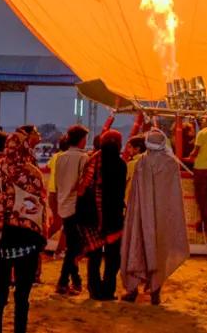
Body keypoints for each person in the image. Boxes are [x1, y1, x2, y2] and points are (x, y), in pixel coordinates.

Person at [0, 131, 47, 333]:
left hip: (2, 238)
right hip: (27, 240)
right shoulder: (33, 173)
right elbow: (39, 208)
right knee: (23, 296)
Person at [120, 128, 188, 305]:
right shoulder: (172, 163)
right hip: (163, 217)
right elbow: (174, 195)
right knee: (160, 251)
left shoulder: (142, 162)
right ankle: (156, 292)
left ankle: (133, 290)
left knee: (137, 246)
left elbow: (135, 192)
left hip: (142, 215)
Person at [76, 128, 127, 300]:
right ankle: (108, 289)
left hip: (92, 217)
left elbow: (82, 189)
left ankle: (94, 289)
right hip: (113, 217)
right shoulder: (121, 165)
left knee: (95, 255)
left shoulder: (92, 161)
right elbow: (119, 193)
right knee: (113, 257)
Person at [53, 124, 89, 295]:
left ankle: (74, 281)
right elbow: (84, 183)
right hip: (77, 206)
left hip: (63, 204)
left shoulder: (60, 157)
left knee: (73, 245)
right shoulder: (83, 158)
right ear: (82, 140)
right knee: (75, 247)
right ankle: (63, 281)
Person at [46, 135, 68, 248]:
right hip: (60, 192)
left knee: (60, 222)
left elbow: (48, 166)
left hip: (52, 192)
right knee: (61, 223)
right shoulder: (66, 157)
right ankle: (45, 241)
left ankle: (59, 246)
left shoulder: (55, 156)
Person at [124, 135, 146, 200]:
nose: (128, 150)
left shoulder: (132, 164)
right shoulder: (150, 162)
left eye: (130, 147)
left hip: (130, 199)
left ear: (137, 148)